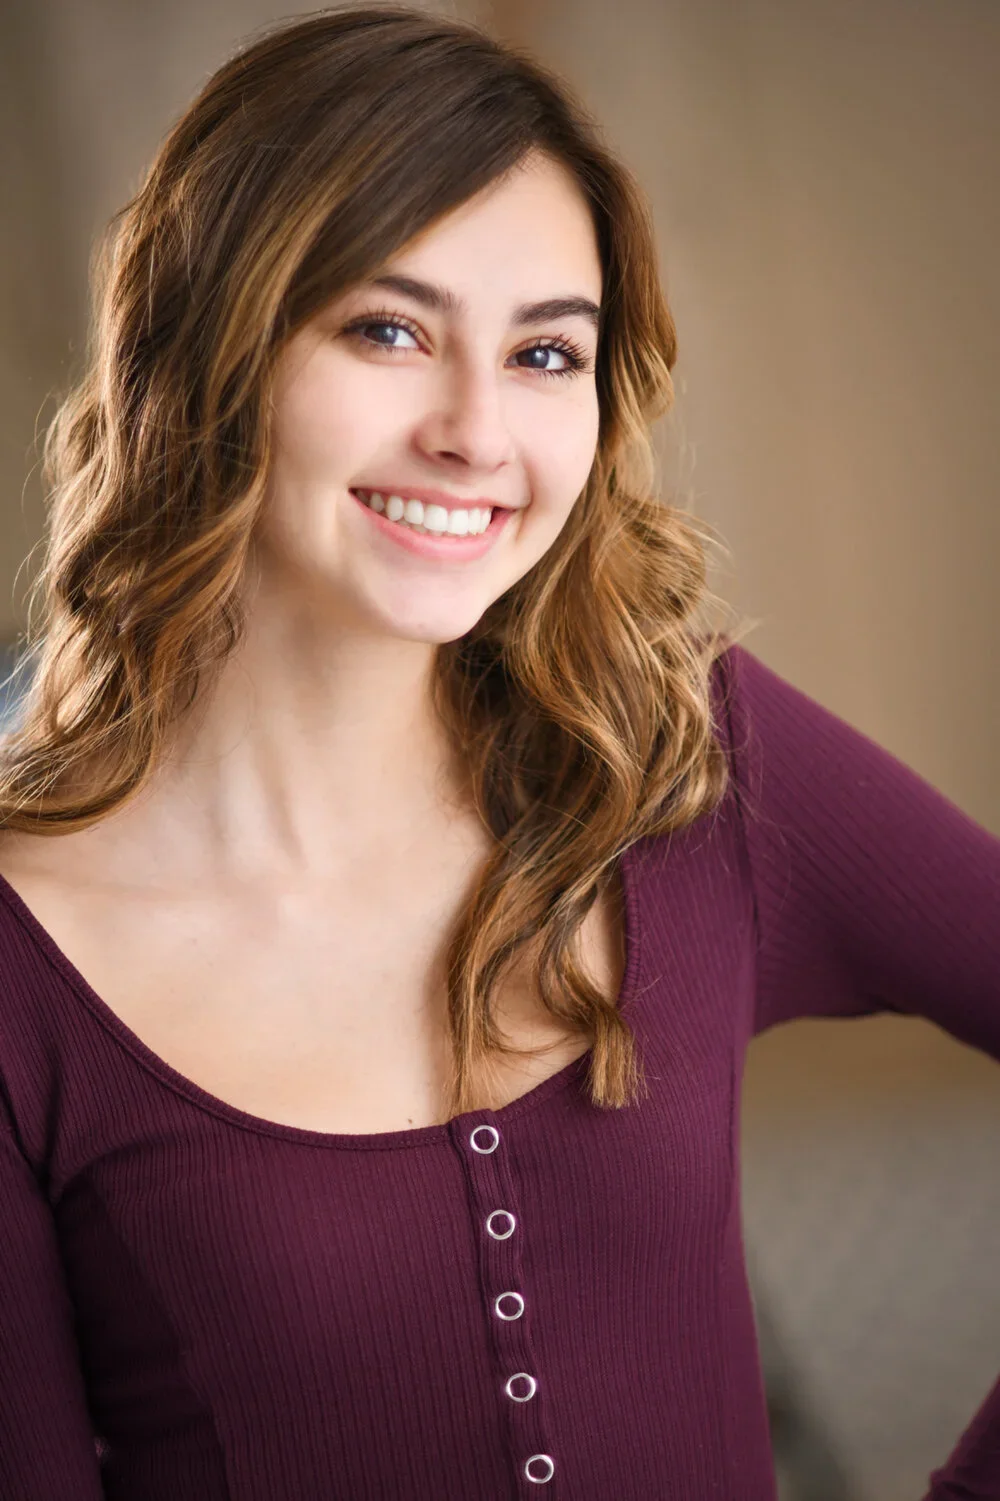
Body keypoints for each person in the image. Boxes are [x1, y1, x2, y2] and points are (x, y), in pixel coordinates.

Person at [0, 7, 996, 1498]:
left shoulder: (695, 765)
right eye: (388, 330)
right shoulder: (24, 963)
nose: (478, 432)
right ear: (209, 348)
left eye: (544, 353)